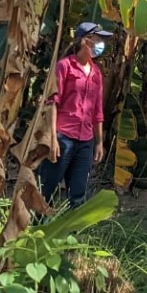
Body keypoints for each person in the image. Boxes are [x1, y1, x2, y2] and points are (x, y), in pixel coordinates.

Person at [40, 21, 114, 209]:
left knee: (78, 194)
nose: (100, 45)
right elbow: (52, 103)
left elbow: (97, 111)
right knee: (47, 188)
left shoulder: (96, 73)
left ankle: (72, 234)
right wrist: (52, 139)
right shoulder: (64, 66)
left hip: (85, 141)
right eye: (97, 39)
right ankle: (35, 228)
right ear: (85, 41)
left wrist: (98, 142)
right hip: (63, 136)